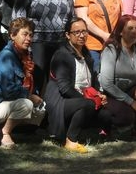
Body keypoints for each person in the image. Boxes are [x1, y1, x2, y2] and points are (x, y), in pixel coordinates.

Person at [45, 17, 111, 153]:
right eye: (77, 32)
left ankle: (92, 132)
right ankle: (70, 140)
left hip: (82, 100)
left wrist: (99, 95)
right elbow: (64, 88)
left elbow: (93, 82)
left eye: (84, 31)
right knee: (87, 105)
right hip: (61, 102)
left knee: (106, 114)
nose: (82, 35)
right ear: (67, 35)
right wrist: (87, 100)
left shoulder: (86, 55)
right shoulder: (62, 55)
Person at [12, 0, 74, 92]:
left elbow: (71, 12)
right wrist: (23, 43)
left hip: (60, 43)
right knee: (39, 82)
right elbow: (18, 19)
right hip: (37, 44)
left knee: (60, 82)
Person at [0, 18, 45, 148]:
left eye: (31, 35)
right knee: (26, 104)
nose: (28, 38)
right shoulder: (6, 56)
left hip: (8, 103)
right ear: (12, 35)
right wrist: (29, 96)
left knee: (40, 110)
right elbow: (9, 90)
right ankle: (3, 132)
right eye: (24, 34)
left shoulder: (25, 57)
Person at [99, 15, 136, 140]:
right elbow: (106, 84)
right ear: (121, 31)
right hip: (112, 95)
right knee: (127, 115)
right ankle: (109, 128)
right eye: (130, 28)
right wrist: (132, 103)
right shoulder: (111, 49)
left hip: (132, 91)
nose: (134, 32)